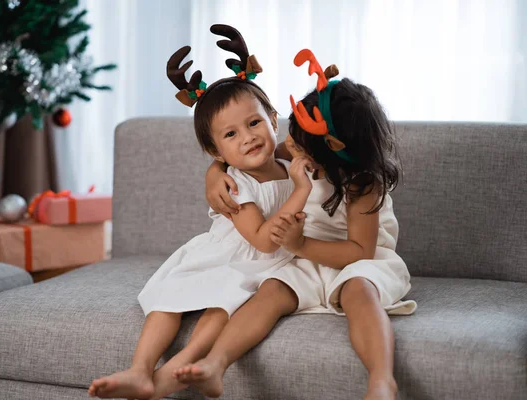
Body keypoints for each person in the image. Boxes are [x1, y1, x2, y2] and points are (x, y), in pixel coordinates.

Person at [88, 25, 314, 400]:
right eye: (230, 135)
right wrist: (219, 174)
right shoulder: (234, 185)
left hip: (268, 265)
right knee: (168, 297)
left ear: (274, 119)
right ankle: (140, 368)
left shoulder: (288, 158)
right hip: (234, 252)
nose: (247, 137)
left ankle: (184, 364)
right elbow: (259, 238)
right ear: (216, 152)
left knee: (224, 303)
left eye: (254, 122)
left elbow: (312, 155)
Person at [177, 49, 417, 400]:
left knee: (359, 293)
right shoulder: (302, 149)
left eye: (299, 142)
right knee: (270, 292)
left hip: (357, 261)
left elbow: (359, 251)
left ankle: (382, 380)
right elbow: (246, 159)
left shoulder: (362, 183)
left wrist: (300, 245)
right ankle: (216, 363)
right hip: (303, 258)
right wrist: (213, 173)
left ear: (331, 156)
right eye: (293, 133)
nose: (288, 144)